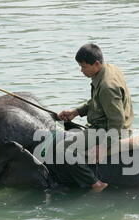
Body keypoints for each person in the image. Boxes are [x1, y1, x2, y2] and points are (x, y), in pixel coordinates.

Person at [57, 43, 134, 192]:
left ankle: (95, 183)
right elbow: (98, 102)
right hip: (105, 123)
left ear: (97, 64)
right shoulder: (110, 69)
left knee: (63, 149)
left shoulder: (107, 86)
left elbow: (117, 121)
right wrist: (76, 112)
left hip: (110, 130)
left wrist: (104, 146)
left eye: (84, 67)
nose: (81, 71)